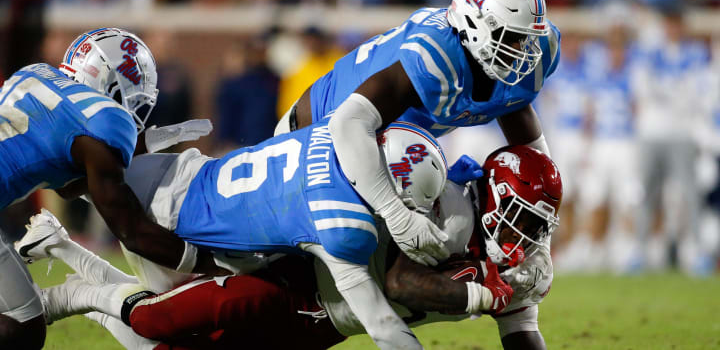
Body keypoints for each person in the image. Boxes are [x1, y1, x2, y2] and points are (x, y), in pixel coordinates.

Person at [27, 145, 561, 350]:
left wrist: (508, 302)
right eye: (519, 219)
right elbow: (401, 282)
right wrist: (481, 297)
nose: (524, 237)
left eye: (537, 225)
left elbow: (522, 331)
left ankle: (66, 254)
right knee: (154, 323)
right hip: (299, 276)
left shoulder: (522, 266)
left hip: (327, 325)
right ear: (489, 199)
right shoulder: (445, 208)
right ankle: (74, 295)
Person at [274, 0, 561, 269]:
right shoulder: (434, 55)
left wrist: (538, 226)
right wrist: (396, 215)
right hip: (314, 138)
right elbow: (349, 124)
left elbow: (516, 114)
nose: (523, 51)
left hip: (382, 142)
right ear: (475, 23)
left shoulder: (529, 57)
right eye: (512, 37)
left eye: (526, 38)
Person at [0, 27, 218, 349]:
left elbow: (69, 182)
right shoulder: (106, 120)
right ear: (111, 85)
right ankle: (79, 294)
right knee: (22, 328)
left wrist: (150, 140)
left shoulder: (37, 73)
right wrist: (216, 262)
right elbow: (133, 232)